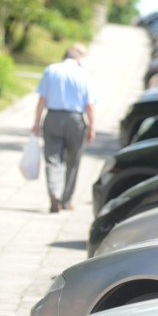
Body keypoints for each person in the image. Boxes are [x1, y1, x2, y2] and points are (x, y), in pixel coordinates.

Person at [31, 46, 96, 213]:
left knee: (52, 158)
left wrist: (36, 122)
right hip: (75, 120)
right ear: (78, 59)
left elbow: (42, 99)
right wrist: (92, 127)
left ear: (63, 57)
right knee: (73, 161)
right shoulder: (85, 74)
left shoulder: (51, 70)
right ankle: (66, 200)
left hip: (52, 118)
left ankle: (54, 192)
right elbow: (89, 105)